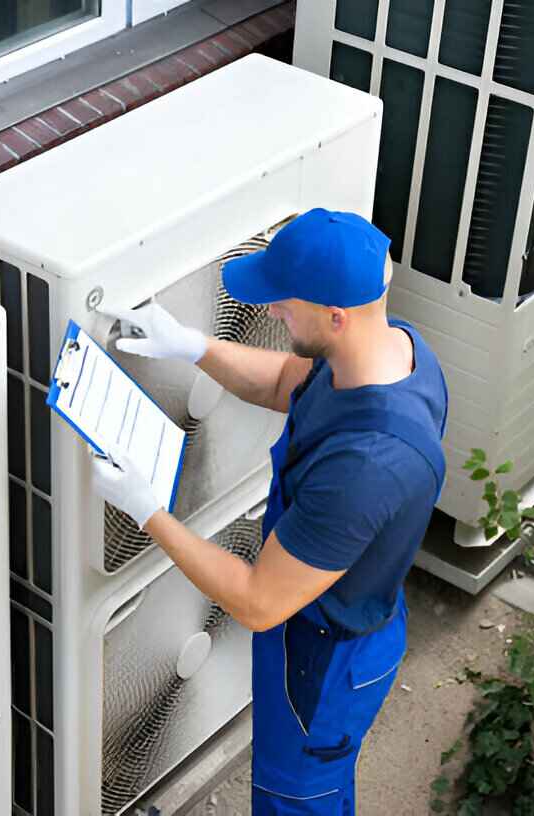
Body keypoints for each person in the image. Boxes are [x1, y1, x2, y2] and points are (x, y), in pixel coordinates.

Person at [91, 208, 448, 815]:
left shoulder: (367, 466)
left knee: (296, 796)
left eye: (285, 303)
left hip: (323, 657)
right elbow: (286, 378)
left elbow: (258, 601)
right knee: (319, 789)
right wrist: (193, 346)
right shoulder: (392, 348)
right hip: (327, 611)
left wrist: (147, 511)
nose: (273, 312)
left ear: (336, 317)